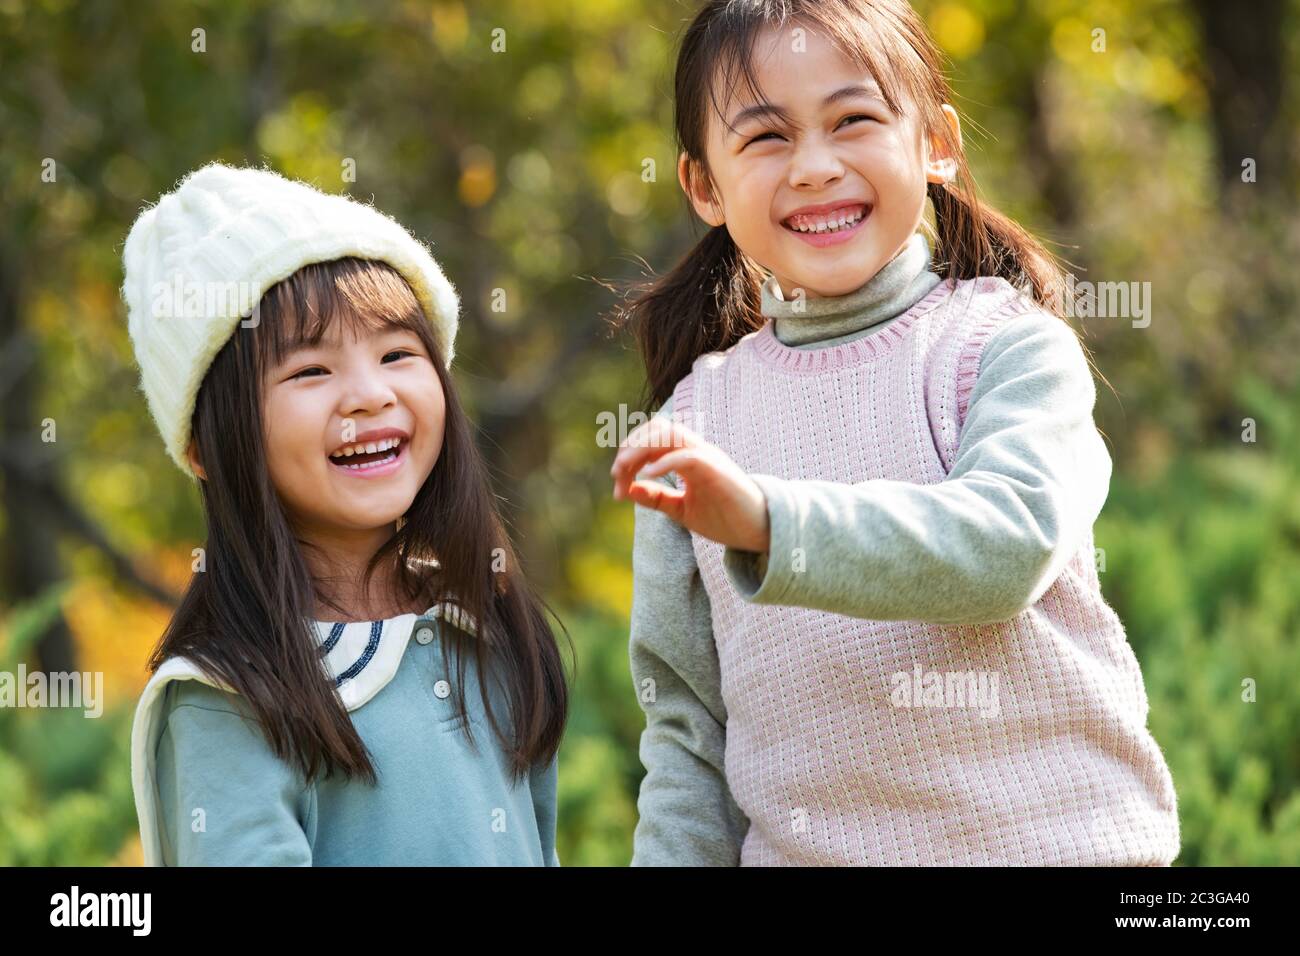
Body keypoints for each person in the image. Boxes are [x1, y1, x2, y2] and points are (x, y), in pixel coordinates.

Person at [611, 0, 1179, 865]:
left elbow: (1007, 545)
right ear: (704, 187)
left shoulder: (1005, 348)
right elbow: (688, 737)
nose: (814, 167)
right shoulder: (693, 426)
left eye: (853, 120)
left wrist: (770, 524)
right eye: (765, 138)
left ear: (936, 142)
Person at [123, 163, 568, 865]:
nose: (369, 395)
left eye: (397, 353)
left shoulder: (488, 625)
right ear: (205, 445)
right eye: (310, 371)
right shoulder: (225, 696)